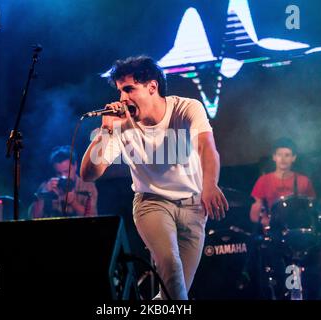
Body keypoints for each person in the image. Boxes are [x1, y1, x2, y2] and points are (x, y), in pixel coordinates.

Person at [80, 55, 228, 300]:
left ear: (152, 86)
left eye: (129, 89)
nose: (122, 98)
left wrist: (210, 185)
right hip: (152, 204)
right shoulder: (119, 126)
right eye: (120, 91)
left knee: (172, 293)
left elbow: (207, 148)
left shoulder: (186, 108)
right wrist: (106, 131)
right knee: (171, 266)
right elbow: (89, 174)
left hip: (193, 207)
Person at [250, 137, 316, 228]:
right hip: (274, 229)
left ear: (293, 158)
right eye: (279, 155)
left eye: (287, 155)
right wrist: (266, 222)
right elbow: (254, 213)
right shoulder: (263, 181)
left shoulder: (304, 181)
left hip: (298, 228)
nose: (283, 159)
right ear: (274, 157)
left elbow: (312, 209)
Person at [29, 145, 98, 219]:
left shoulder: (87, 186)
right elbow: (33, 217)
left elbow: (92, 217)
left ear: (75, 166)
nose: (63, 176)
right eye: (59, 173)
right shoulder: (47, 186)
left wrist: (73, 203)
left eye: (67, 171)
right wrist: (43, 194)